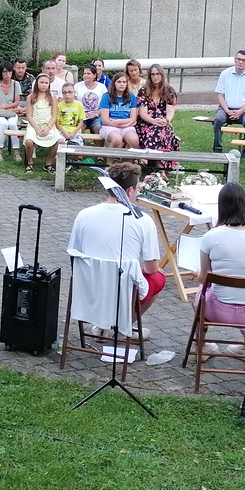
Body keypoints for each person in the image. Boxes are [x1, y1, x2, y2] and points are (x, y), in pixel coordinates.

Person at [67, 162, 166, 337]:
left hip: (89, 286)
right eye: (137, 189)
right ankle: (123, 327)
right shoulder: (143, 220)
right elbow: (151, 269)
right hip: (124, 289)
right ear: (130, 191)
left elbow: (74, 254)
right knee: (158, 276)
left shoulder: (84, 215)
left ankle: (103, 327)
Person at [193, 182, 245, 357]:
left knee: (202, 290)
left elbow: (204, 278)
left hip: (218, 310)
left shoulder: (211, 236)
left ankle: (202, 346)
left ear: (221, 207)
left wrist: (197, 274)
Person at [211, 50, 245, 152]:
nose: (240, 62)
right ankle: (217, 148)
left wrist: (240, 111)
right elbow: (220, 95)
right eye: (238, 59)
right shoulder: (225, 74)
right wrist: (227, 111)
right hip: (225, 109)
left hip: (244, 110)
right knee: (218, 119)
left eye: (244, 60)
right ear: (235, 59)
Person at [136, 63, 179, 169]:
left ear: (162, 75)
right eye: (153, 74)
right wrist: (153, 121)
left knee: (160, 130)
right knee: (156, 130)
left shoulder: (170, 91)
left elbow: (170, 111)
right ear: (149, 76)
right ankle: (160, 167)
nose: (155, 77)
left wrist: (167, 120)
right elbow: (142, 113)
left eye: (158, 74)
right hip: (146, 122)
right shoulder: (143, 91)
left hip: (163, 122)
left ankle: (147, 158)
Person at [22, 71, 63, 173]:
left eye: (46, 83)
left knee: (60, 141)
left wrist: (48, 127)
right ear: (37, 83)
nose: (44, 85)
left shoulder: (52, 97)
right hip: (34, 125)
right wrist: (36, 129)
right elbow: (29, 116)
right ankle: (30, 162)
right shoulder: (31, 97)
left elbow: (54, 115)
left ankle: (48, 163)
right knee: (29, 141)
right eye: (41, 82)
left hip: (48, 125)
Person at [0, 61, 24, 161]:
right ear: (1, 73)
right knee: (4, 123)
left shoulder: (16, 84)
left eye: (9, 72)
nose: (7, 74)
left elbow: (16, 102)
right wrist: (4, 108)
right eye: (4, 72)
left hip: (11, 112)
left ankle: (16, 152)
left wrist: (3, 107)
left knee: (12, 124)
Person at [97, 77, 140, 148]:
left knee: (134, 140)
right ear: (114, 83)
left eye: (124, 82)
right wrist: (124, 123)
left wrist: (118, 122)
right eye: (119, 82)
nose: (121, 84)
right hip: (109, 126)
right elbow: (105, 120)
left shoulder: (131, 97)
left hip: (126, 126)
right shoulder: (106, 97)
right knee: (117, 139)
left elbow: (133, 119)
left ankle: (128, 156)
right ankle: (108, 155)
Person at [77, 64, 105, 132]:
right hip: (81, 116)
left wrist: (96, 114)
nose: (86, 75)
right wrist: (83, 114)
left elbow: (105, 104)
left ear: (94, 75)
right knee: (79, 128)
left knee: (98, 128)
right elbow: (74, 102)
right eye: (84, 74)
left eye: (88, 73)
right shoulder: (77, 86)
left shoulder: (102, 87)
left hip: (97, 116)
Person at [56, 82, 86, 146]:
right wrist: (64, 132)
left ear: (74, 93)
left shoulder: (79, 105)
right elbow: (57, 123)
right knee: (60, 142)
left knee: (78, 145)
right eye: (64, 92)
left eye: (70, 92)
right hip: (62, 130)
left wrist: (74, 132)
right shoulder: (59, 106)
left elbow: (81, 122)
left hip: (75, 131)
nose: (67, 95)